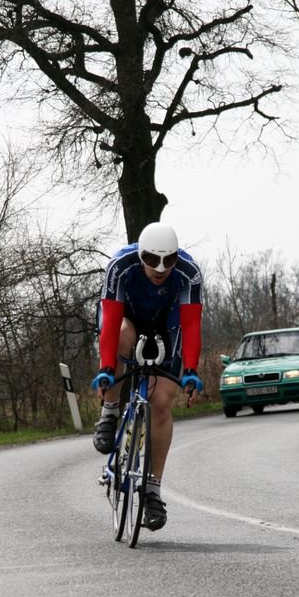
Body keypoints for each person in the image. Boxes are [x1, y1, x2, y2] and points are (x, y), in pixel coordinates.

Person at [91, 221, 204, 532]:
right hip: (125, 318)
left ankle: (152, 491)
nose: (161, 267)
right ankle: (110, 412)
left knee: (162, 401)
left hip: (167, 328)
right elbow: (112, 322)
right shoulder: (120, 266)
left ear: (176, 256)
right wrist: (106, 370)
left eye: (168, 259)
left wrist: (191, 372)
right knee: (123, 334)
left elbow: (192, 325)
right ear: (140, 255)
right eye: (152, 259)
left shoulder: (188, 272)